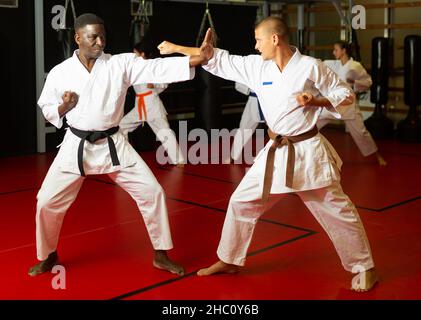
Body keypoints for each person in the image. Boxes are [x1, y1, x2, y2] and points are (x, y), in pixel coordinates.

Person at [159, 18, 378, 292]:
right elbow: (221, 60)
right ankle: (229, 259)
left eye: (258, 39)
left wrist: (317, 100)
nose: (255, 45)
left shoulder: (311, 66)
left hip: (308, 152)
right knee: (241, 201)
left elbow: (345, 95)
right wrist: (183, 48)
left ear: (275, 39)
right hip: (275, 152)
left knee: (337, 211)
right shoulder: (256, 66)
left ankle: (365, 267)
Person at [28, 13, 210, 277]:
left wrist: (199, 58)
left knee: (153, 192)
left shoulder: (120, 63)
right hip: (76, 145)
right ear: (78, 38)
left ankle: (161, 254)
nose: (100, 42)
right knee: (46, 201)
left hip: (114, 143)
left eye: (102, 36)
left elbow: (155, 68)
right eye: (93, 37)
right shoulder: (60, 72)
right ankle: (48, 254)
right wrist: (64, 106)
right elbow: (47, 108)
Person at [318, 41, 386, 166]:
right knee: (313, 125)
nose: (334, 52)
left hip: (349, 104)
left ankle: (378, 156)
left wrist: (354, 82)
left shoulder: (355, 66)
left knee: (361, 133)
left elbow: (368, 82)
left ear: (344, 51)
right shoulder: (335, 64)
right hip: (334, 103)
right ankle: (304, 152)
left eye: (336, 50)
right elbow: (319, 63)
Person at [120, 40, 185, 167]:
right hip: (140, 104)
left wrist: (154, 85)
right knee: (122, 126)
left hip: (152, 103)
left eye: (135, 53)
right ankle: (126, 157)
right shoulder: (133, 68)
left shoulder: (152, 66)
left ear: (142, 54)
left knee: (164, 131)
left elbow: (165, 83)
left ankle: (179, 159)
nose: (133, 56)